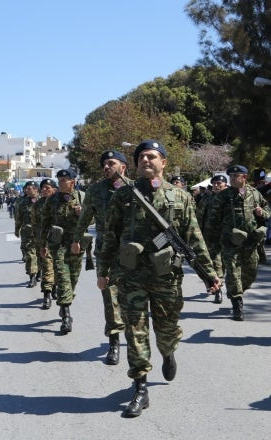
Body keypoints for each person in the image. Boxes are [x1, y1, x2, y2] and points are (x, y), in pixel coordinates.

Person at [98, 140, 219, 418]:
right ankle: (140, 387)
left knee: (167, 330)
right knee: (135, 331)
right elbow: (110, 237)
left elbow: (195, 239)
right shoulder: (123, 196)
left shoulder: (181, 197)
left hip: (167, 277)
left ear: (163, 162)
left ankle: (168, 352)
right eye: (141, 157)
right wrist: (103, 272)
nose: (146, 160)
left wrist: (210, 275)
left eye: (152, 156)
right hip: (131, 277)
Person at [71, 150, 129, 365]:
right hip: (106, 252)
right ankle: (114, 342)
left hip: (133, 252)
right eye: (104, 163)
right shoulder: (95, 191)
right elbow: (85, 218)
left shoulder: (136, 188)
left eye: (111, 163)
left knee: (132, 298)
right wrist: (76, 239)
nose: (106, 167)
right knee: (109, 296)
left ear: (123, 167)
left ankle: (135, 339)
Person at [207, 165, 269, 321]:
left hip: (251, 241)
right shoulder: (223, 196)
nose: (233, 179)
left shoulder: (255, 194)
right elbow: (213, 220)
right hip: (230, 242)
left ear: (245, 177)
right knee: (233, 273)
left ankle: (239, 292)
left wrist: (262, 212)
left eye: (236, 176)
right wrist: (212, 243)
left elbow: (267, 209)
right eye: (231, 176)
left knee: (250, 273)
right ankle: (237, 304)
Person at [40, 169, 84, 334]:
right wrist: (42, 245)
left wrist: (83, 213)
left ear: (73, 181)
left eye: (64, 180)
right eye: (59, 180)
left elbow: (93, 219)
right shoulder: (52, 201)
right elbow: (45, 223)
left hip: (77, 245)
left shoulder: (82, 198)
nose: (60, 183)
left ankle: (66, 301)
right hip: (58, 246)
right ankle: (66, 315)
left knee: (73, 278)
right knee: (62, 276)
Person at [196, 175, 228, 303]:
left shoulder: (229, 199)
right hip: (209, 237)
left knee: (223, 264)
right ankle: (217, 289)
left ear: (225, 185)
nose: (216, 185)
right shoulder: (206, 199)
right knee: (213, 263)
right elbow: (198, 217)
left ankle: (217, 284)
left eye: (219, 183)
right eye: (214, 183)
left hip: (225, 236)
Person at [31, 178, 57, 308]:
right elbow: (35, 224)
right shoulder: (37, 205)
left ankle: (55, 287)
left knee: (58, 268)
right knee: (47, 267)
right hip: (44, 240)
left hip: (60, 241)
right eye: (43, 188)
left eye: (48, 187)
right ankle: (47, 294)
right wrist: (38, 241)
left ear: (54, 189)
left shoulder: (61, 202)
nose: (45, 190)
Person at [14, 181, 39, 288]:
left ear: (36, 190)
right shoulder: (23, 202)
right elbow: (18, 217)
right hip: (27, 233)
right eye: (26, 189)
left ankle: (40, 272)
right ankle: (32, 277)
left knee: (42, 255)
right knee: (30, 255)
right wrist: (17, 229)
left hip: (42, 234)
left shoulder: (44, 201)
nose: (27, 190)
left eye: (29, 188)